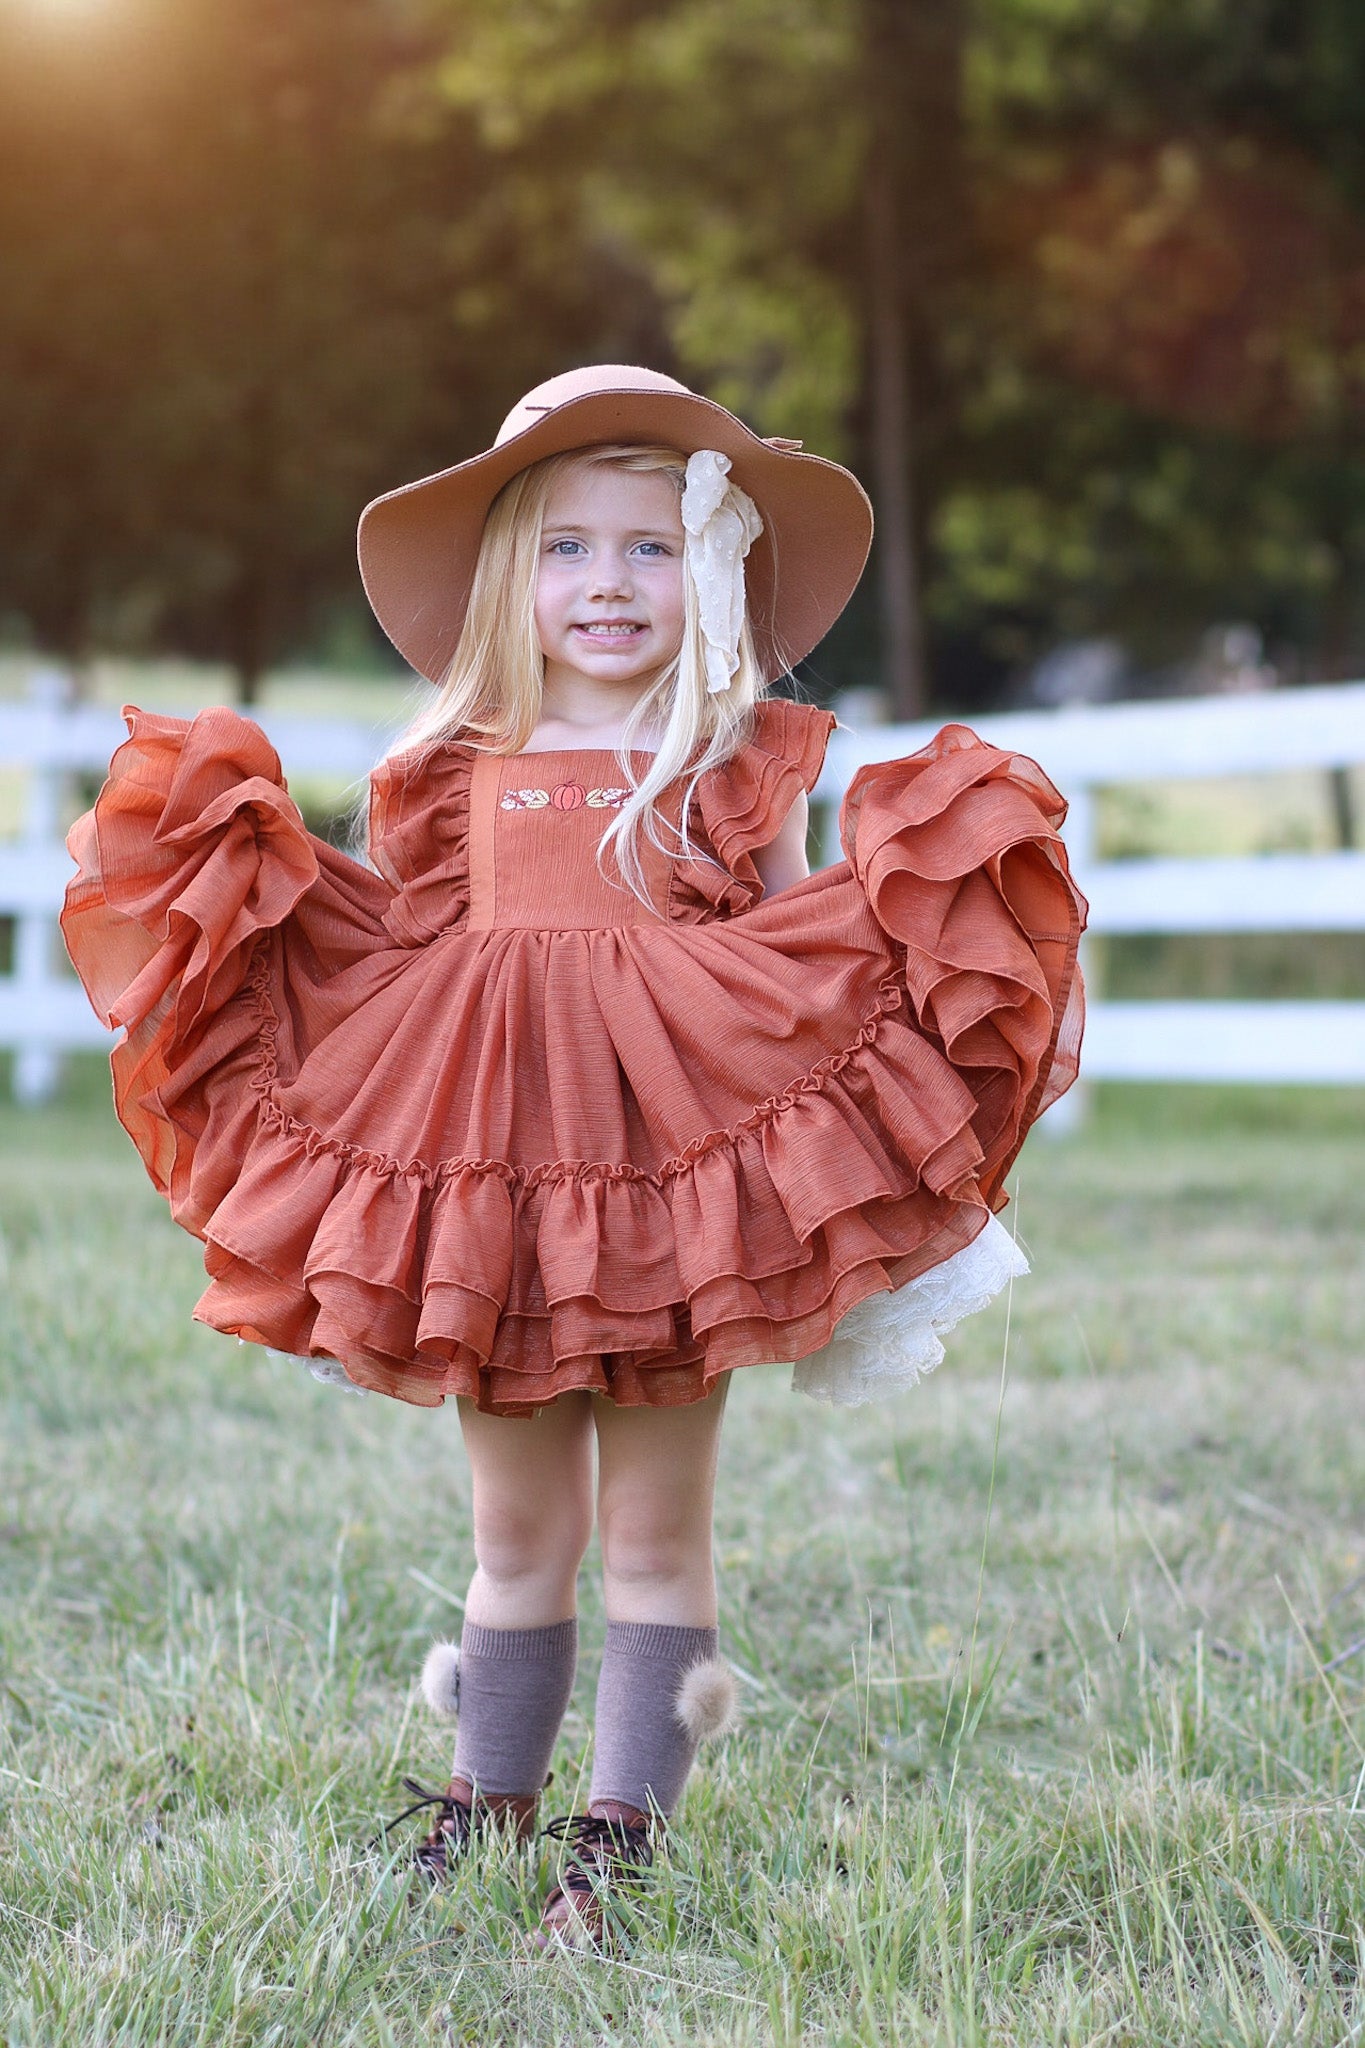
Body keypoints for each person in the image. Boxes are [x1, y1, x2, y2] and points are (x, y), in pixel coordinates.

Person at [62, 364, 1085, 1948]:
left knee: (658, 1530)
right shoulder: (445, 771)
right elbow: (394, 966)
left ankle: (619, 1840)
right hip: (496, 1199)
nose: (606, 583)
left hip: (679, 1194)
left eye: (648, 546)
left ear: (714, 571)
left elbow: (806, 967)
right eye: (565, 548)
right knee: (514, 1529)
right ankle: (485, 1799)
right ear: (507, 579)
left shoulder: (740, 759)